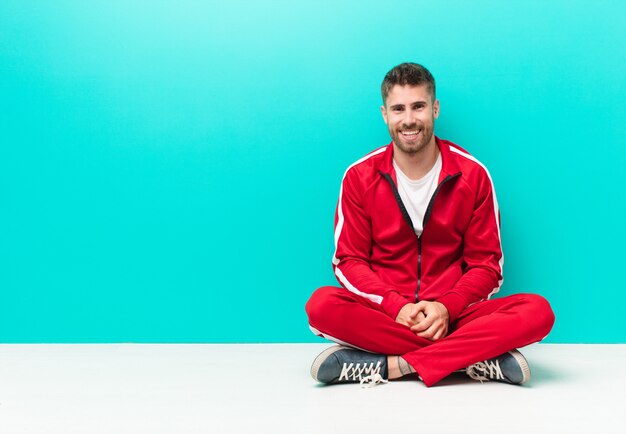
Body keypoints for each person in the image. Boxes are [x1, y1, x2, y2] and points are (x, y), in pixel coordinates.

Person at [305, 63, 555, 388]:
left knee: (537, 312)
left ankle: (390, 367)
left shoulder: (473, 175)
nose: (408, 119)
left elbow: (486, 265)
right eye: (398, 109)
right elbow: (348, 261)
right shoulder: (358, 177)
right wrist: (397, 307)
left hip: (454, 316)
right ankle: (472, 359)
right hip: (389, 314)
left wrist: (445, 308)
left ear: (435, 108)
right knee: (321, 306)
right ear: (385, 114)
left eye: (418, 106)